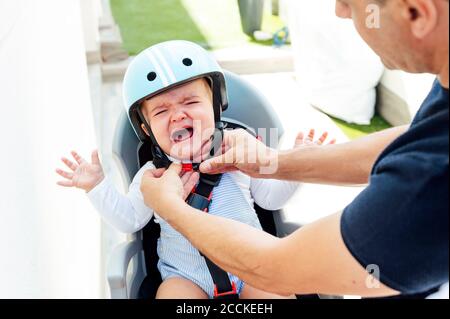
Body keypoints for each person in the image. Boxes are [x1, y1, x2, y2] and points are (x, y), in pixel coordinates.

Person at [139, 0, 449, 298]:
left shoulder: (425, 191)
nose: (339, 11)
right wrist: (275, 161)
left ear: (416, 13)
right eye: (161, 111)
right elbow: (412, 140)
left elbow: (275, 269)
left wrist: (171, 209)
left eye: (349, 3)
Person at [55, 40, 334, 299]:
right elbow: (129, 220)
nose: (178, 114)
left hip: (252, 265)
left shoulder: (239, 154)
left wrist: (298, 162)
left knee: (276, 291)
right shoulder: (153, 177)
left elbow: (271, 199)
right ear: (146, 129)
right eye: (161, 112)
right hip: (185, 277)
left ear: (215, 107)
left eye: (190, 102)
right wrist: (97, 187)